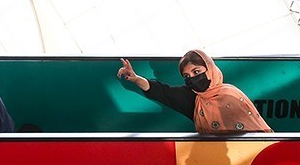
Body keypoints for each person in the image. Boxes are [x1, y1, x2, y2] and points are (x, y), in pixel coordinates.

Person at [116, 49, 272, 134]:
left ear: (209, 69)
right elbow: (160, 91)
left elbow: (257, 132)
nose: (192, 78)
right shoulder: (192, 98)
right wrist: (135, 79)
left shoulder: (231, 94)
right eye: (186, 76)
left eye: (196, 72)